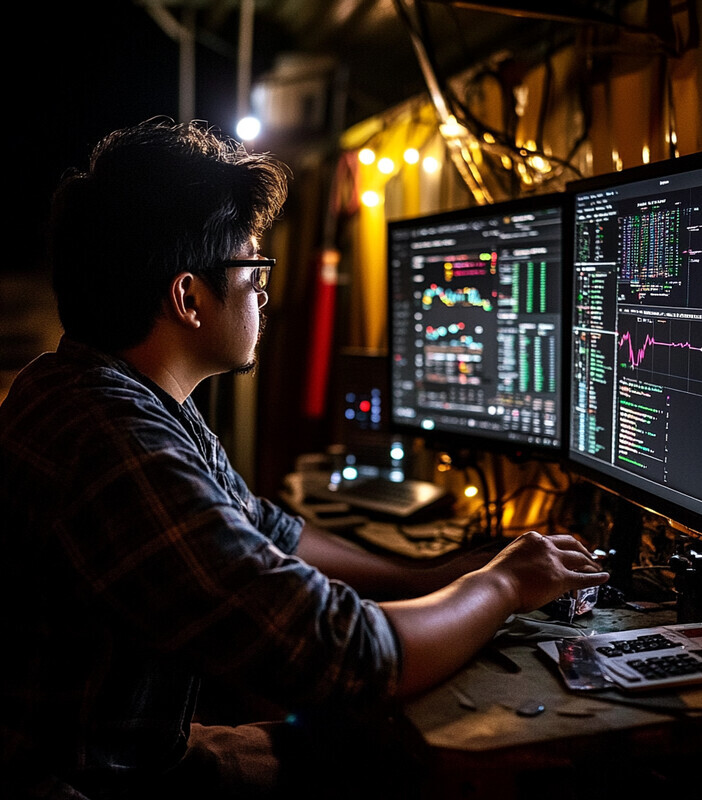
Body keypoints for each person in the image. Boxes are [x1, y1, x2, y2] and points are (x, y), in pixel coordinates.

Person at [0, 119, 608, 800]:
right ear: (188, 297)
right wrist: (502, 588)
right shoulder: (112, 441)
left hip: (123, 752)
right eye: (252, 267)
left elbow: (260, 530)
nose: (263, 292)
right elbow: (341, 655)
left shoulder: (96, 389)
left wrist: (436, 572)